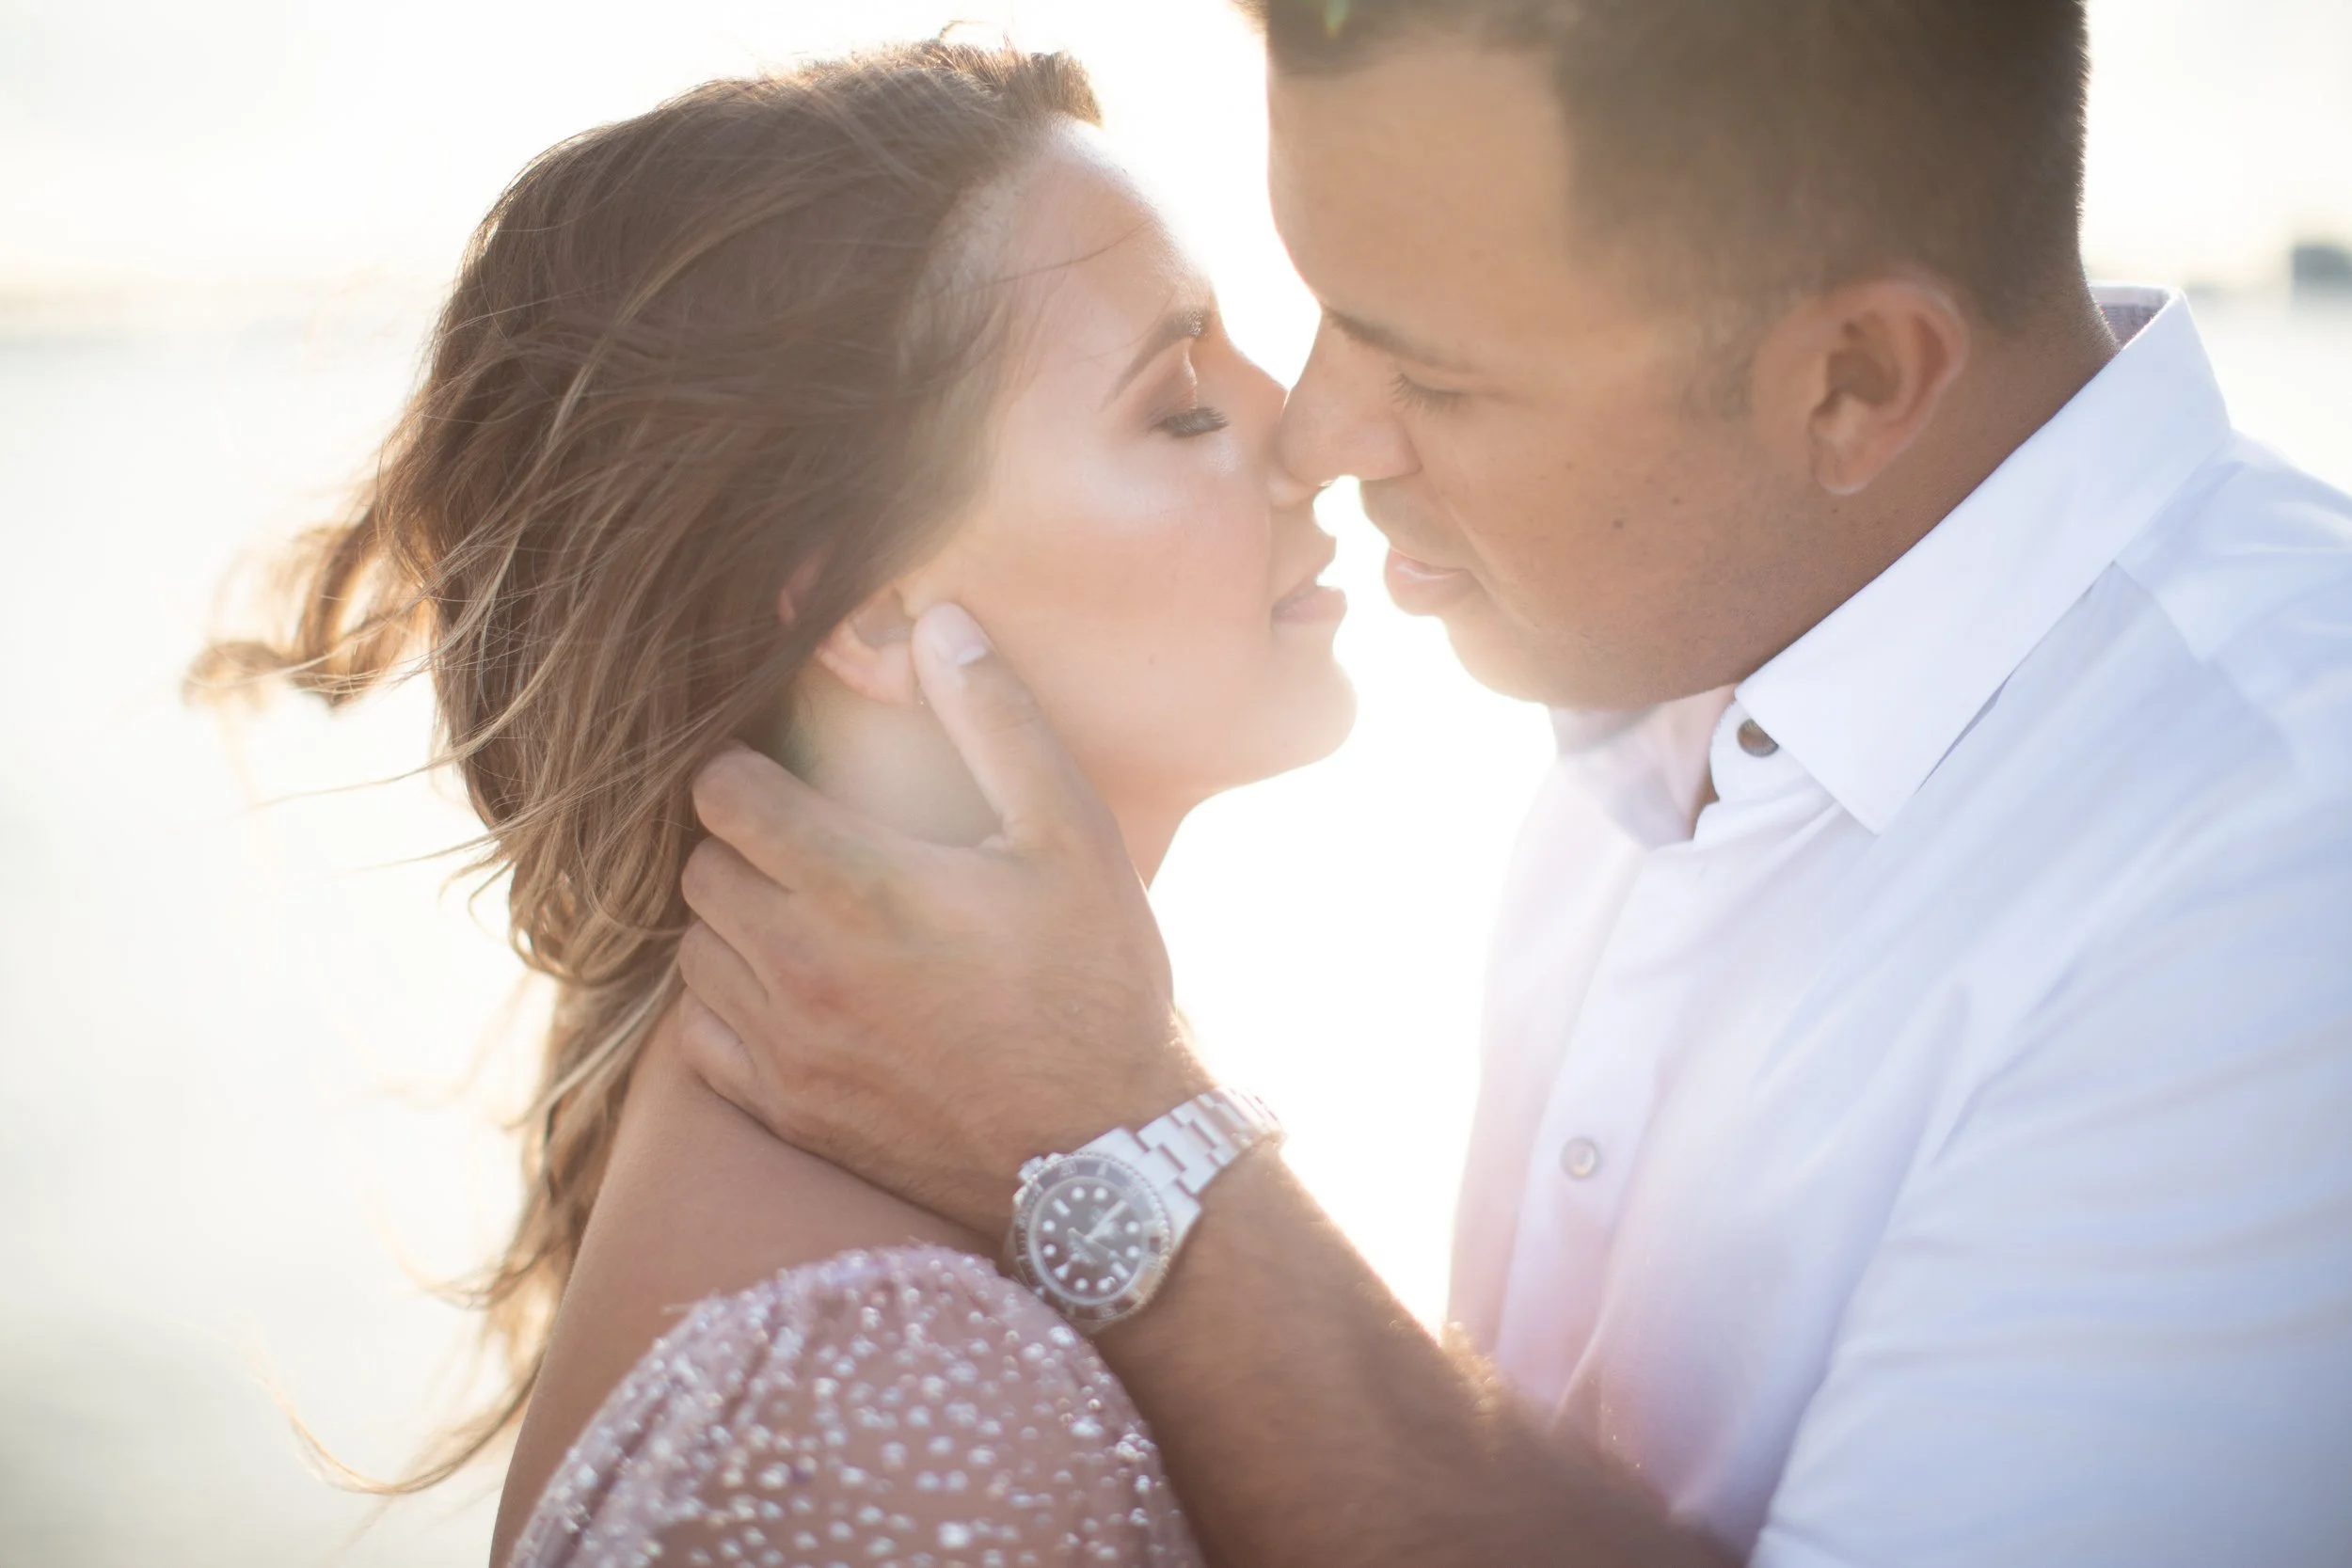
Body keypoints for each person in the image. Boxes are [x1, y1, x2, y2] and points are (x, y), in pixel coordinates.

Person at [670, 2, 2352, 1565]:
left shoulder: (2276, 867)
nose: (1318, 429)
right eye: (1321, 306)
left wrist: (1110, 1131)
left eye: (1434, 372)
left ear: (1852, 382)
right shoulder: (1670, 659)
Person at [196, 40, 1363, 1566]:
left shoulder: (801, 1182)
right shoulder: (887, 1415)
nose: (1315, 431)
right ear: (869, 616)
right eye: (1181, 408)